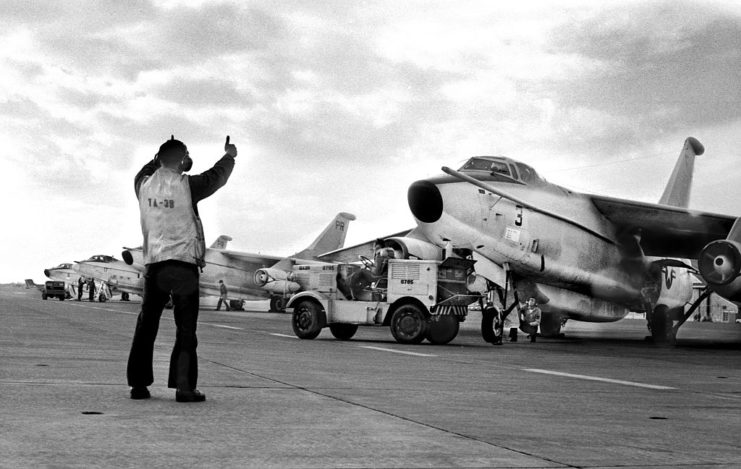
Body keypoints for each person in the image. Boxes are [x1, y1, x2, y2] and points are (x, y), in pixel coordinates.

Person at [127, 135, 237, 403]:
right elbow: (217, 176)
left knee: (146, 325)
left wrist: (159, 157)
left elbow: (149, 167)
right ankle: (184, 388)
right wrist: (229, 156)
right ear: (183, 158)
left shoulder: (142, 184)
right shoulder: (188, 185)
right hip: (183, 266)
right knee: (185, 329)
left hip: (154, 265)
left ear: (158, 158)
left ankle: (138, 386)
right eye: (186, 155)